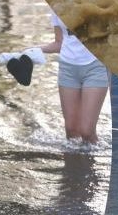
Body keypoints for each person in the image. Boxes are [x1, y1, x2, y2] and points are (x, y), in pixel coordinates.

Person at [37, 9, 109, 143]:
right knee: (71, 130)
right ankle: (75, 162)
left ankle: (91, 161)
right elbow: (59, 43)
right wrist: (34, 49)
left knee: (86, 131)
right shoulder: (56, 6)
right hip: (68, 68)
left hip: (95, 66)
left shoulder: (95, 2)